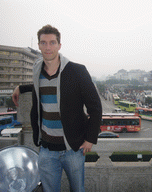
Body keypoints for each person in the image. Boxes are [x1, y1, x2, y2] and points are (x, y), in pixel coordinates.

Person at [12, 24, 102, 192]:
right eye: (44, 43)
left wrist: (90, 139)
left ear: (59, 46)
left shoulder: (76, 71)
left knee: (78, 189)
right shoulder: (37, 70)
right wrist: (21, 88)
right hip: (46, 150)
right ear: (38, 45)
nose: (48, 47)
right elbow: (42, 86)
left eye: (52, 42)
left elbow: (95, 107)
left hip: (73, 150)